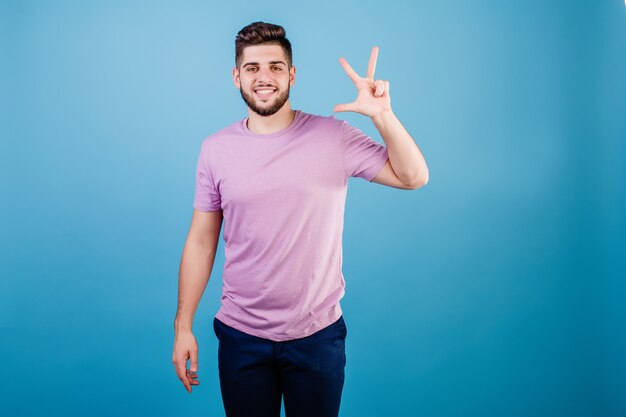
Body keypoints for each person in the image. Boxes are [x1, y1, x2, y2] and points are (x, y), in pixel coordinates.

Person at [172, 21, 429, 417]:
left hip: (317, 336)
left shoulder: (334, 137)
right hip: (241, 336)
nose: (264, 77)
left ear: (291, 75)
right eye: (253, 68)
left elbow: (414, 177)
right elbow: (201, 240)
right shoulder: (215, 150)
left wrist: (383, 116)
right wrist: (183, 325)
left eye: (275, 67)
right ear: (236, 76)